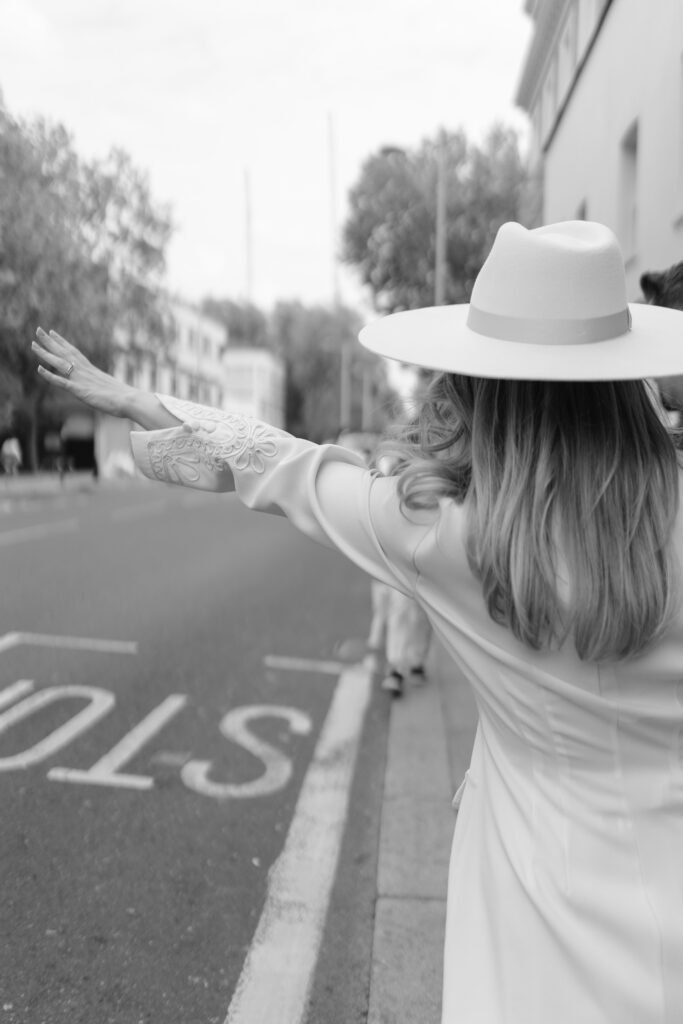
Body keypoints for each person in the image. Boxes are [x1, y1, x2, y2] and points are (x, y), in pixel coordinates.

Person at [32, 220, 683, 1023]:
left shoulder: (445, 537)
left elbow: (279, 464)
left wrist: (139, 400)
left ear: (487, 386)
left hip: (536, 913)